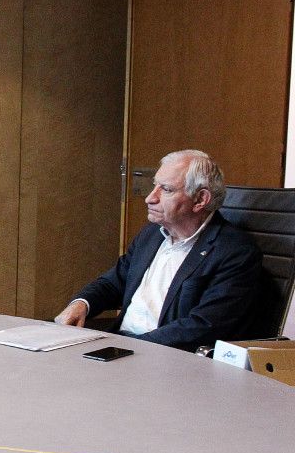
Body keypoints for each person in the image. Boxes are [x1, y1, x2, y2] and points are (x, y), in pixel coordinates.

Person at [54, 149, 262, 351]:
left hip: (164, 358)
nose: (150, 198)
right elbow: (115, 281)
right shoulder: (152, 234)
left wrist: (127, 347)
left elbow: (202, 326)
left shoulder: (235, 252)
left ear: (200, 200)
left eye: (166, 189)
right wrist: (82, 304)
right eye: (155, 186)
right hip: (120, 344)